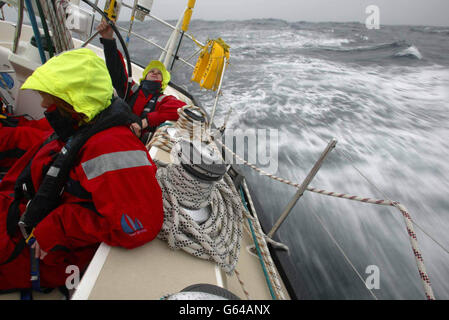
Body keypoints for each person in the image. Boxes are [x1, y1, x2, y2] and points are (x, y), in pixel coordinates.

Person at [0, 48, 164, 294]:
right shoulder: (79, 126)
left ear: (74, 100)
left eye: (50, 98)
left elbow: (140, 225)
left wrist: (59, 226)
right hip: (21, 215)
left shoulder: (111, 148)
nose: (44, 104)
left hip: (46, 248)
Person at [97, 19, 186, 139]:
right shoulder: (132, 89)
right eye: (152, 71)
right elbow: (116, 70)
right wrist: (108, 40)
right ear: (145, 75)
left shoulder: (163, 100)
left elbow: (182, 109)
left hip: (135, 142)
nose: (154, 73)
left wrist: (146, 121)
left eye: (159, 73)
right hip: (114, 132)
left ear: (163, 81)